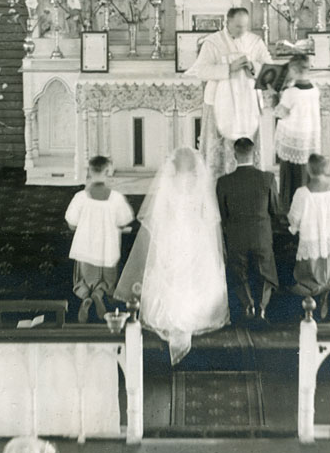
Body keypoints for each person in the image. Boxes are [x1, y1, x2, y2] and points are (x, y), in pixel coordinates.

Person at [115, 147, 229, 364]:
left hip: (173, 231)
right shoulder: (200, 183)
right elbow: (209, 215)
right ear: (195, 165)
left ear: (174, 165)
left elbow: (158, 214)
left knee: (169, 270)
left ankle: (172, 316)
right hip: (195, 231)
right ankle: (196, 315)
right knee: (196, 273)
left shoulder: (168, 182)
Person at [186, 7, 272, 177]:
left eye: (245, 26)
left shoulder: (255, 42)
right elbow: (201, 71)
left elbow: (269, 68)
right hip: (220, 105)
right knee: (218, 151)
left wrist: (253, 66)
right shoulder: (213, 42)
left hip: (247, 105)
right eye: (238, 26)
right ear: (227, 23)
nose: (243, 31)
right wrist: (228, 68)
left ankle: (248, 181)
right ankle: (218, 184)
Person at [65, 155, 135, 323]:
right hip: (108, 249)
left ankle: (85, 296)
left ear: (90, 171)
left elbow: (72, 224)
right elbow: (124, 221)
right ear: (107, 172)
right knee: (108, 276)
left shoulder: (81, 197)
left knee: (83, 276)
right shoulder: (116, 198)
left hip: (86, 248)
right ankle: (99, 293)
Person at [216, 138, 279, 321]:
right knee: (267, 271)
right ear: (255, 154)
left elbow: (221, 214)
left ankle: (248, 305)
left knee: (238, 271)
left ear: (235, 155)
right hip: (261, 234)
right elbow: (275, 209)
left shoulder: (224, 182)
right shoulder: (268, 178)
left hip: (236, 235)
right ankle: (262, 308)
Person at [287, 154, 330, 320]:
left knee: (306, 278)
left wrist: (294, 227)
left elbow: (294, 217)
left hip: (311, 240)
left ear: (309, 169)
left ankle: (313, 296)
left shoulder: (302, 193)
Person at [274, 54, 321, 210]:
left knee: (292, 176)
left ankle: (290, 208)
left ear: (293, 70)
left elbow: (280, 113)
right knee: (305, 174)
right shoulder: (315, 89)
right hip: (308, 138)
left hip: (293, 138)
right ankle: (307, 207)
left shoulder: (291, 92)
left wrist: (276, 95)